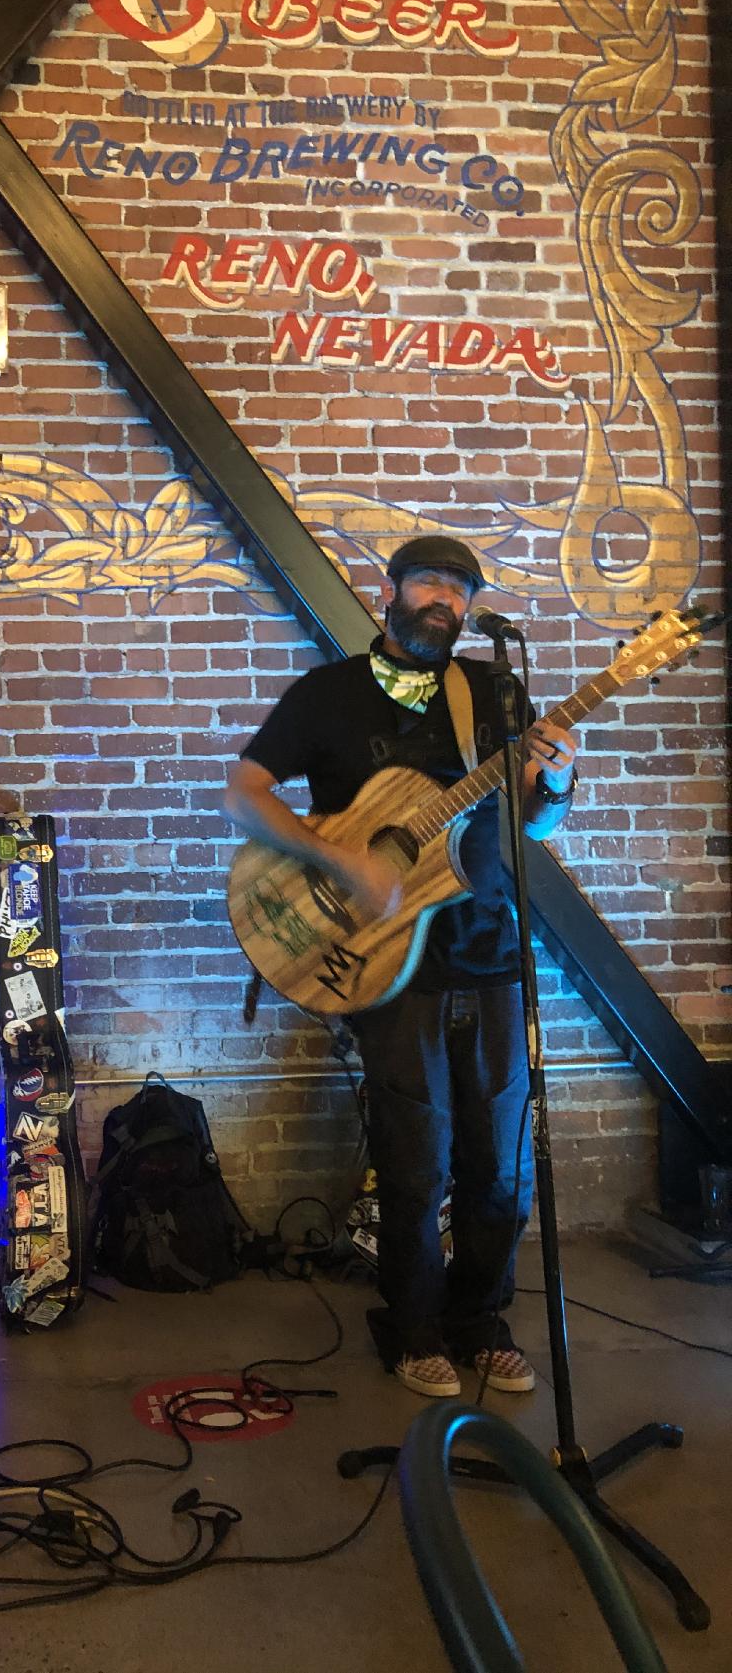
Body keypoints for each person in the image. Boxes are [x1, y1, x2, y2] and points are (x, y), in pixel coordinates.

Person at [224, 535, 578, 1398]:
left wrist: (557, 783)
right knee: (415, 1163)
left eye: (459, 590)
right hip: (384, 960)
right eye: (427, 582)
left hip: (489, 949)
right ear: (389, 591)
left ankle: (479, 1322)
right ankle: (413, 1329)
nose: (443, 600)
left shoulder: (495, 692)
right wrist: (341, 860)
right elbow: (245, 793)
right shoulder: (330, 694)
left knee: (502, 1168)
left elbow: (529, 828)